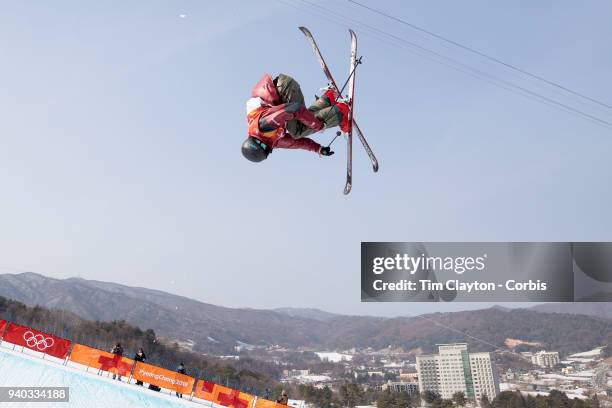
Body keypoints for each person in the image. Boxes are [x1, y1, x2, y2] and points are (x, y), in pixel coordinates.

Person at [242, 73, 351, 163]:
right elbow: (297, 143)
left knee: (300, 128)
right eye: (266, 149)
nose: (267, 147)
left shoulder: (264, 125)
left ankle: (341, 112)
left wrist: (317, 125)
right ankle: (329, 97)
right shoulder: (271, 141)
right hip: (282, 91)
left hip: (283, 89)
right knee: (301, 123)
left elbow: (294, 108)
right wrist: (318, 149)